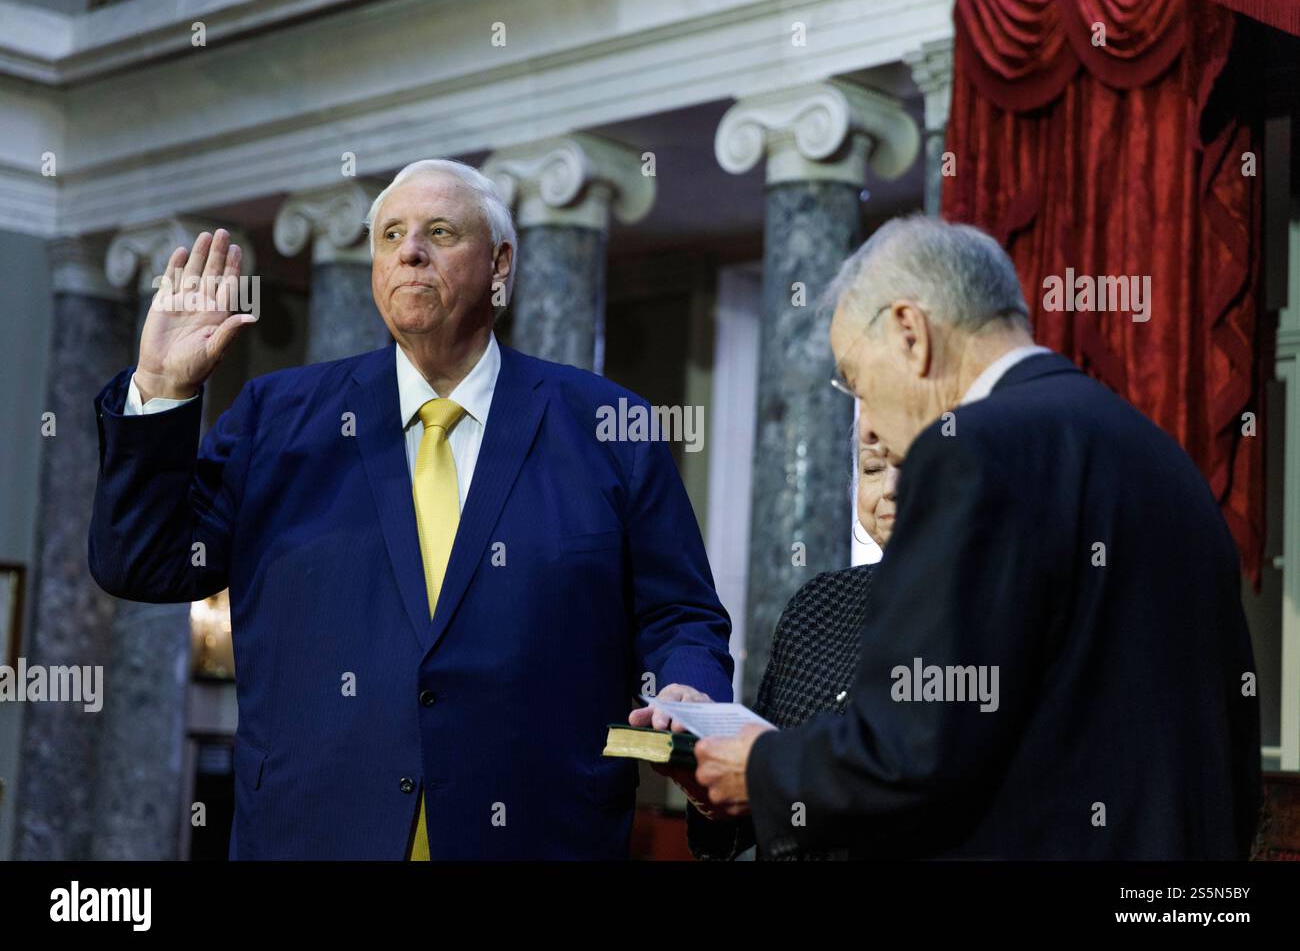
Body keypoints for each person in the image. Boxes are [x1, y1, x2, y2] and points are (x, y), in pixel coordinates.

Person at [87, 159, 733, 860]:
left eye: (440, 231)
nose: (410, 251)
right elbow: (143, 562)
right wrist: (160, 389)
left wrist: (689, 688)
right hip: (313, 834)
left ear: (500, 264)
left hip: (536, 833)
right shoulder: (279, 419)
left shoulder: (609, 427)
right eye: (391, 234)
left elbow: (681, 613)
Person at [691, 215, 1261, 859]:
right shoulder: (1166, 460)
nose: (866, 419)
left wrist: (760, 770)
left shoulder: (968, 451)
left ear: (910, 333)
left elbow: (912, 749)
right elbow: (1232, 753)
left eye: (856, 382)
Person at [684, 433, 899, 860]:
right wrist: (703, 766)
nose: (891, 487)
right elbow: (749, 815)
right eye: (873, 469)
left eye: (912, 463)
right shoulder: (817, 605)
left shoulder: (991, 614)